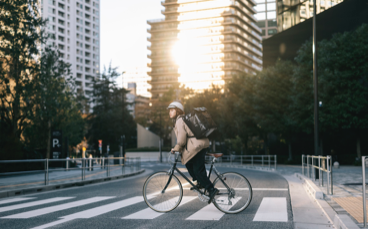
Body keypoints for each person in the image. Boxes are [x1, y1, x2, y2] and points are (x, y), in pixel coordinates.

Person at [168, 101, 219, 204]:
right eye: (169, 110)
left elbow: (181, 140)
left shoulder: (179, 120)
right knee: (188, 162)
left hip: (197, 147)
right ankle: (200, 182)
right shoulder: (183, 119)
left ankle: (211, 189)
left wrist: (176, 148)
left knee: (198, 170)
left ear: (178, 111)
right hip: (198, 145)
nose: (170, 112)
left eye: (172, 110)